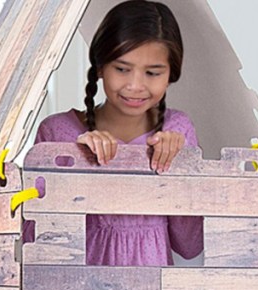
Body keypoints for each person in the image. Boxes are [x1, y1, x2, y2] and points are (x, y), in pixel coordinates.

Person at [30, 0, 203, 266]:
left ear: (170, 75)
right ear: (100, 66)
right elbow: (34, 241)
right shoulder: (56, 132)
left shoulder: (178, 129)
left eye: (153, 73)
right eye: (122, 69)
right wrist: (75, 163)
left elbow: (190, 245)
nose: (135, 85)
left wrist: (180, 171)